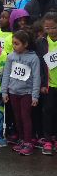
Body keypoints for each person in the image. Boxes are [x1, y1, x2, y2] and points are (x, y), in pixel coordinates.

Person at [1, 30, 41, 156]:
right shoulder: (10, 57)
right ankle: (22, 139)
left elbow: (37, 77)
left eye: (17, 43)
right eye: (13, 43)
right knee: (17, 117)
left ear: (25, 44)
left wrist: (35, 95)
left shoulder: (33, 58)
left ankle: (28, 142)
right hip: (13, 92)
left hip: (27, 93)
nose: (14, 46)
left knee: (25, 117)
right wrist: (4, 91)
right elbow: (6, 74)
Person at [38, 12, 57, 155]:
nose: (51, 31)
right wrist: (43, 83)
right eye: (48, 28)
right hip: (49, 85)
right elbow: (39, 64)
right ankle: (48, 139)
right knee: (48, 111)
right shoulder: (41, 42)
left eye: (54, 27)